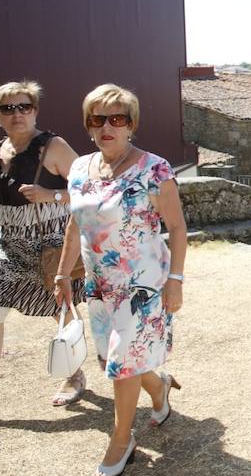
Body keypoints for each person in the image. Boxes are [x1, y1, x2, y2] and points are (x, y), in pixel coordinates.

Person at [55, 84, 187, 476]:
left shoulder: (154, 168)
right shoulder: (80, 169)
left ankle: (121, 438)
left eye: (118, 119)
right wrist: (64, 272)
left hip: (143, 286)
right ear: (88, 125)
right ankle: (158, 386)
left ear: (132, 125)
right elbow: (75, 223)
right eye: (98, 119)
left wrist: (175, 280)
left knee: (122, 361)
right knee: (116, 359)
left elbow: (177, 228)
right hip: (99, 285)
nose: (107, 126)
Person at [0, 81, 85, 406]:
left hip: (50, 250)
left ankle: (74, 374)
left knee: (62, 311)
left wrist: (52, 195)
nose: (17, 114)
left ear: (35, 111)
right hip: (7, 251)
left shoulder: (53, 147)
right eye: (8, 108)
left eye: (24, 107)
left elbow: (92, 188)